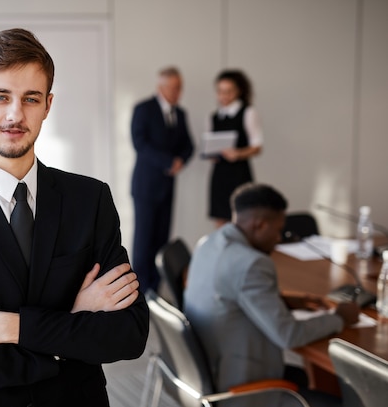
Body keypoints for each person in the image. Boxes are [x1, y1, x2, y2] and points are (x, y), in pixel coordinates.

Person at [0, 28, 149, 407]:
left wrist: (11, 327)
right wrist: (71, 323)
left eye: (30, 98)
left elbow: (128, 333)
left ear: (48, 105)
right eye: (0, 97)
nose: (15, 114)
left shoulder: (90, 199)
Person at [184, 183, 359, 407]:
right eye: (277, 230)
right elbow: (289, 335)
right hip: (241, 390)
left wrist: (284, 301)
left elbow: (229, 296)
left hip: (206, 375)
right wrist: (340, 318)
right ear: (259, 224)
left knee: (301, 378)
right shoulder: (251, 264)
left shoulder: (208, 243)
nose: (278, 239)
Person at [130, 66, 194, 293]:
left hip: (168, 187)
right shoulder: (143, 109)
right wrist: (168, 162)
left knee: (162, 240)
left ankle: (156, 287)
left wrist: (180, 161)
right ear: (161, 87)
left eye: (180, 87)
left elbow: (189, 145)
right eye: (174, 87)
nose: (178, 92)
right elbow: (140, 143)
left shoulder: (181, 114)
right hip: (146, 186)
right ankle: (140, 289)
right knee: (143, 241)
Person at [208, 69, 263, 228]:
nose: (224, 96)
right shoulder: (215, 116)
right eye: (220, 91)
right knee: (220, 218)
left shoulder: (248, 112)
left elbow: (257, 146)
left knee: (242, 217)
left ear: (238, 91)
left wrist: (238, 153)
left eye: (228, 91)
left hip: (239, 174)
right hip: (219, 174)